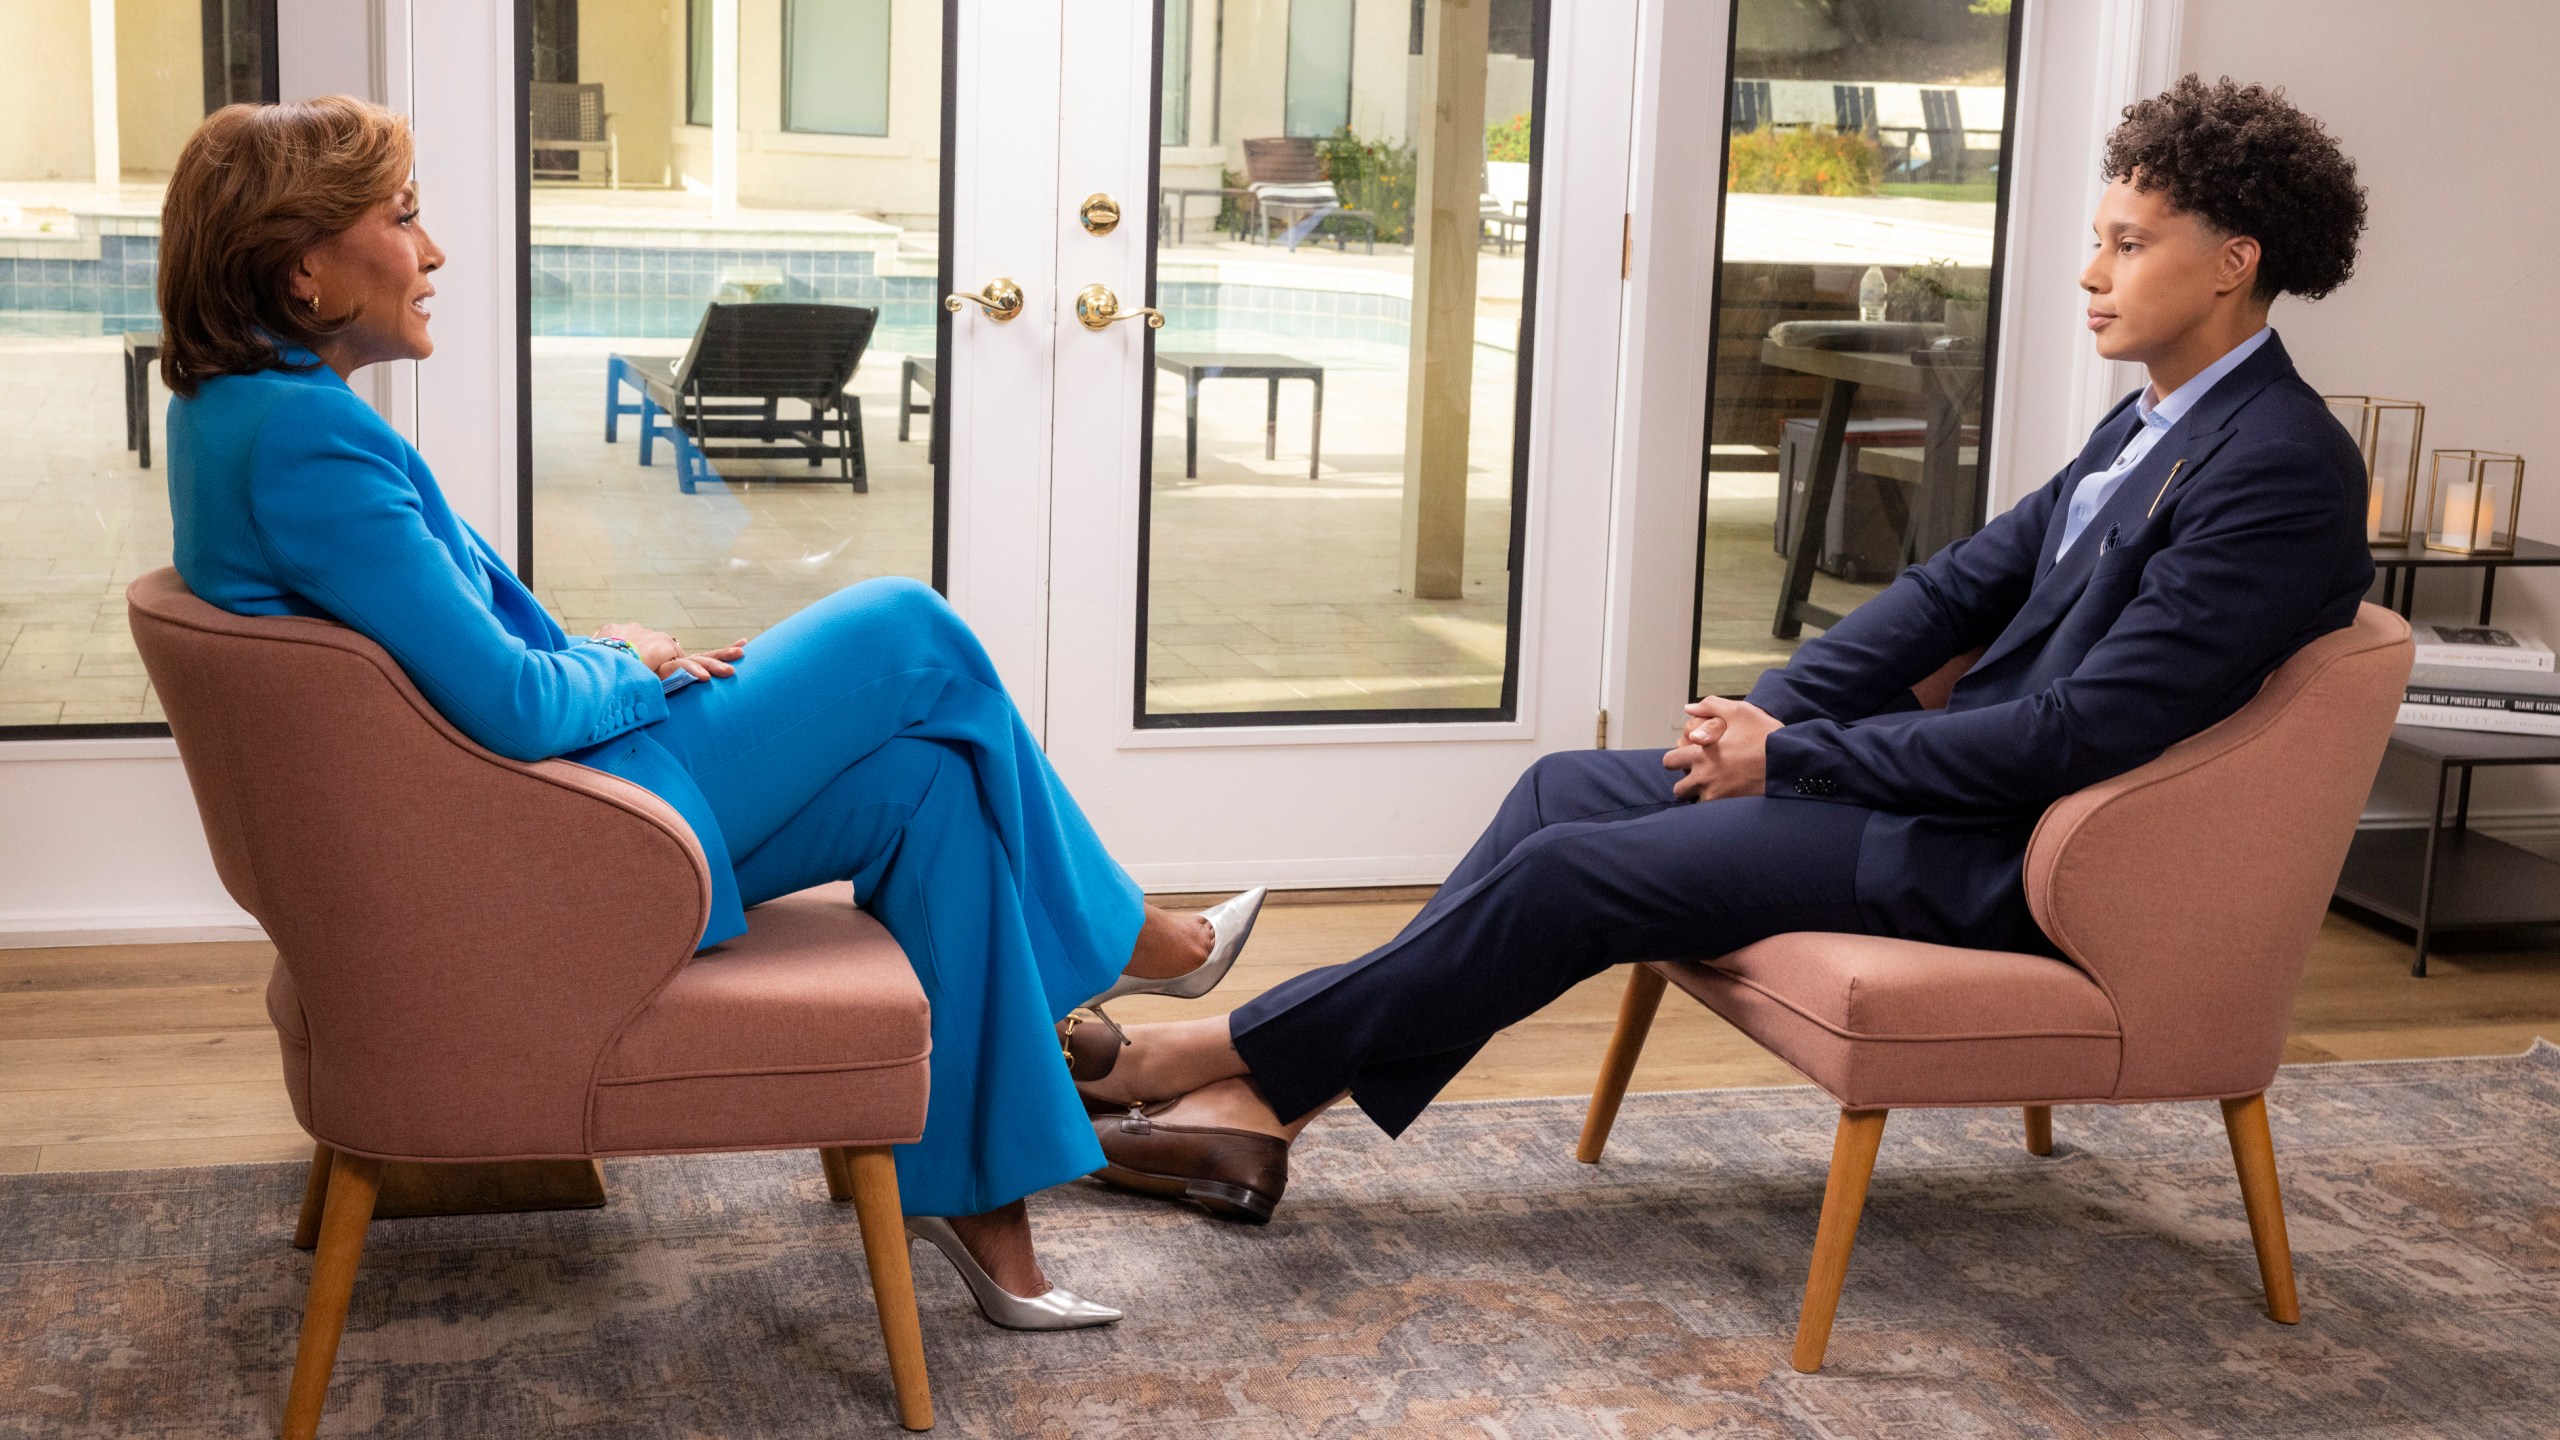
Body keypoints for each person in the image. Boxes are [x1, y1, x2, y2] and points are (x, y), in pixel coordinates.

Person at [1070, 75, 2376, 1222]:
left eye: (2128, 245)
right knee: (1559, 789)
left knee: (1569, 876)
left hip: (2006, 854)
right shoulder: (2148, 423)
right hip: (1948, 802)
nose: (2091, 274)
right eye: (2095, 240)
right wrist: (1753, 718)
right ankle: (1263, 1119)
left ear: (2231, 263)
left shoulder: (2279, 471)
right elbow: (1949, 594)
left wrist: (1798, 759)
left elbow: (2081, 732)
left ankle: (1213, 1060)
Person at [157, 96, 1267, 1328]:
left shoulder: (236, 416)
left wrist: (605, 651)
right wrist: (632, 664)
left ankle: (972, 1203)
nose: (434, 252)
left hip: (521, 818)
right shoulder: (305, 439)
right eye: (404, 218)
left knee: (932, 785)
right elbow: (514, 708)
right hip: (562, 838)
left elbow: (448, 672)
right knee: (910, 626)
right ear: (304, 264)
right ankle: (1126, 940)